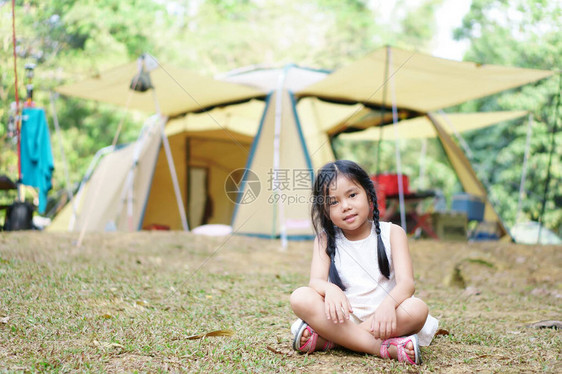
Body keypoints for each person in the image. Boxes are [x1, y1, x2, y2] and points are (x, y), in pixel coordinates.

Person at [290, 160, 438, 365]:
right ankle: (381, 348)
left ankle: (331, 341)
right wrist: (330, 290)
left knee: (417, 309)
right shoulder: (324, 239)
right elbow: (315, 282)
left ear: (369, 195)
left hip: (385, 318)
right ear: (325, 211)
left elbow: (407, 284)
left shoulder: (393, 233)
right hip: (342, 319)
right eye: (334, 202)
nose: (346, 206)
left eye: (352, 195)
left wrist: (387, 306)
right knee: (300, 297)